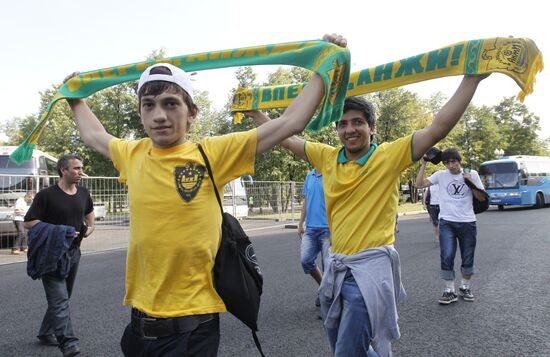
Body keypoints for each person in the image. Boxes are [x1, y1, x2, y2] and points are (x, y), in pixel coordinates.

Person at [64, 34, 347, 356]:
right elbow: (93, 135)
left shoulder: (214, 152)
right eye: (149, 105)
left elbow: (291, 121)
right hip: (140, 322)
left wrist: (324, 64)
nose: (159, 115)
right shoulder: (132, 153)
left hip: (192, 326)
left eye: (171, 104)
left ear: (192, 112)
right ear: (141, 113)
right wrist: (77, 98)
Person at [246, 73, 489, 356]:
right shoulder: (326, 156)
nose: (349, 129)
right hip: (336, 270)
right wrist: (255, 114)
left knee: (347, 353)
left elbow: (437, 128)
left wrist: (471, 80)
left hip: (370, 273)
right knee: (347, 347)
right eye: (343, 124)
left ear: (372, 127)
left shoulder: (388, 156)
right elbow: (286, 138)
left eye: (358, 122)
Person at [24, 154, 95, 357]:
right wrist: (59, 231)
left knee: (63, 298)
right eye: (76, 168)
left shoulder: (83, 193)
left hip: (74, 253)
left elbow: (90, 218)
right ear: (63, 170)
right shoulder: (46, 195)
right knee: (60, 300)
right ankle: (69, 343)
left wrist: (89, 229)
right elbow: (29, 222)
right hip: (51, 253)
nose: (81, 172)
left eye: (81, 168)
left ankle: (46, 332)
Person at [415, 149, 486, 305]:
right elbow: (419, 184)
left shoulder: (471, 173)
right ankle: (449, 290)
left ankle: (465, 287)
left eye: (453, 161)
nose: (450, 165)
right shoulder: (440, 175)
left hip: (467, 221)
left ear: (459, 161)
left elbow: (481, 198)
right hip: (447, 221)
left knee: (468, 255)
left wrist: (470, 182)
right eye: (447, 162)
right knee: (447, 254)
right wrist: (424, 164)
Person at [298, 168, 330, 307]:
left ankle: (329, 300)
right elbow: (306, 200)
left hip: (328, 229)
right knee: (306, 261)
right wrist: (300, 223)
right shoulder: (309, 176)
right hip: (310, 229)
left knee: (329, 265)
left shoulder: (331, 174)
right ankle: (323, 289)